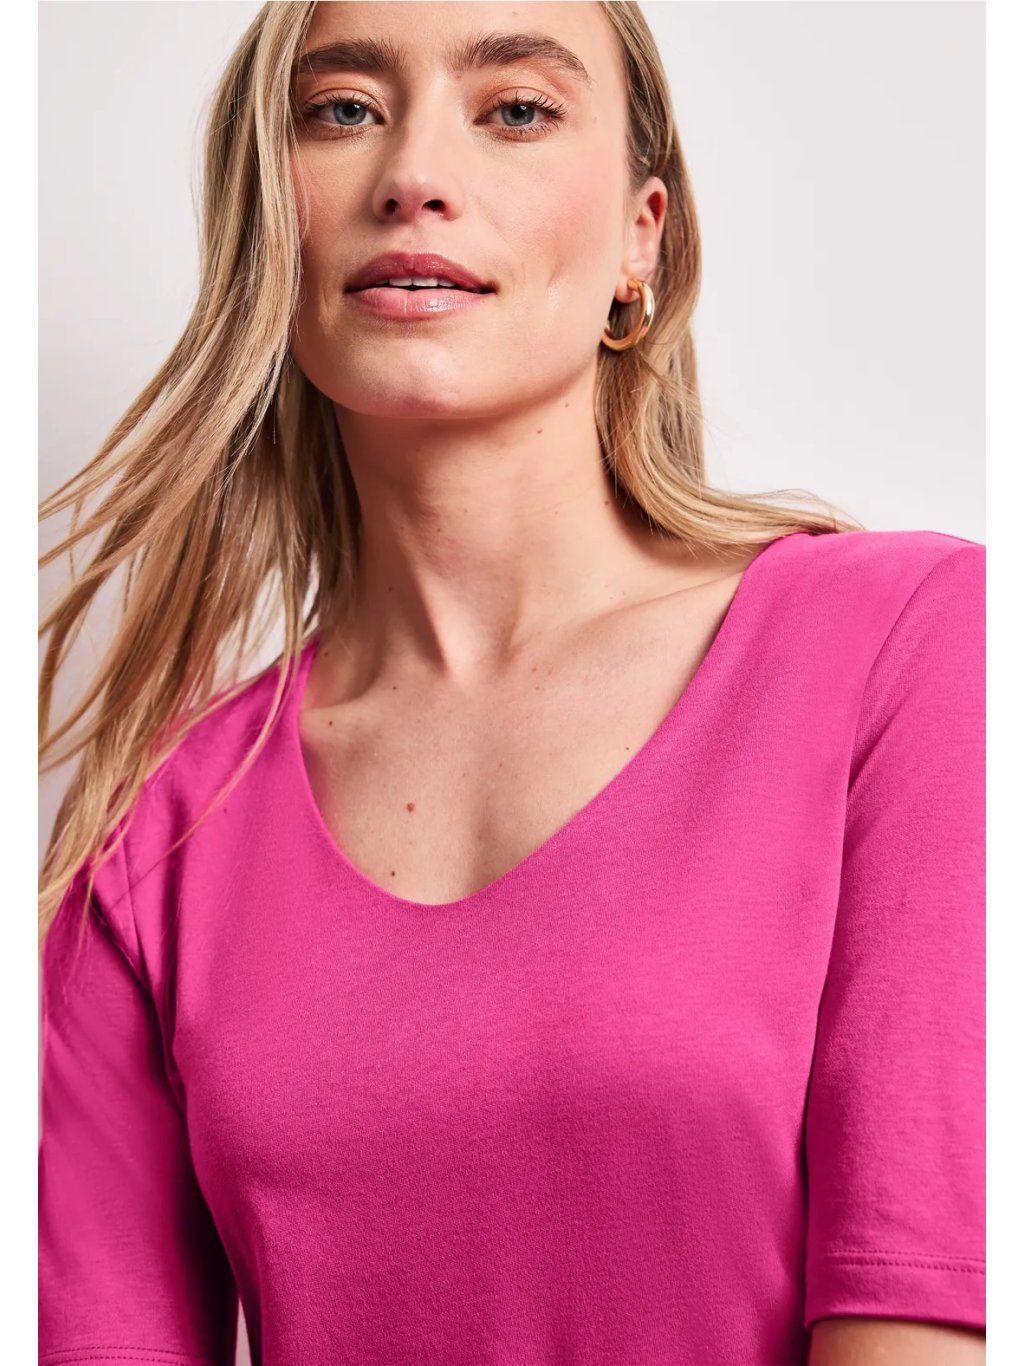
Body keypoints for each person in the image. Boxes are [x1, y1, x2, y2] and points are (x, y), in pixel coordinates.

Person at [37, 3, 985, 1364]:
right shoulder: (149, 847)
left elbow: (928, 1313)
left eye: (517, 111)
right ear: (267, 225)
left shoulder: (907, 647)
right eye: (342, 110)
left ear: (641, 240)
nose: (414, 173)